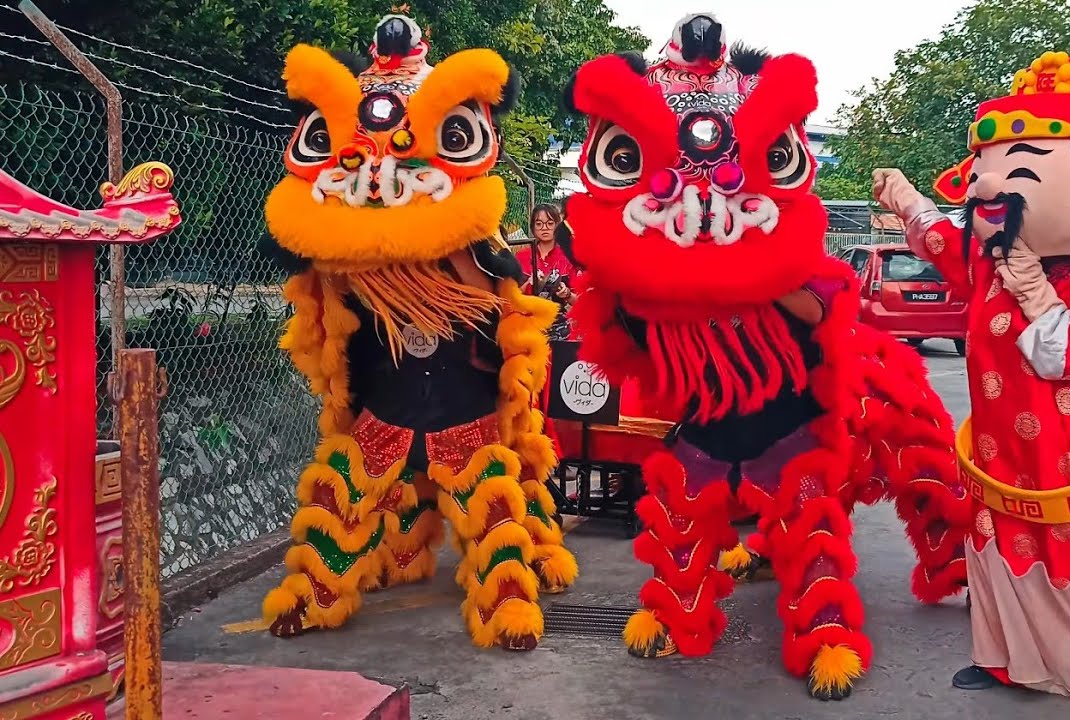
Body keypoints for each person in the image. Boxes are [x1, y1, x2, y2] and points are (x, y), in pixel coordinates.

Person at [560, 13, 969, 701]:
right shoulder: (637, 283)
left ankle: (836, 636)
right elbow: (620, 342)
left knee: (817, 530)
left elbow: (822, 315)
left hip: (789, 426)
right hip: (706, 429)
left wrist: (766, 279)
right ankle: (674, 614)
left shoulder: (794, 273)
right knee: (681, 518)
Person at [257, 12, 576, 649]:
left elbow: (495, 296)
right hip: (387, 404)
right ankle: (316, 593)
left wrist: (439, 243)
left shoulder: (477, 247)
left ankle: (511, 596)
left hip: (466, 405)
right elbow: (320, 294)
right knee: (344, 495)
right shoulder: (342, 254)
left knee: (500, 500)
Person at [874, 49, 1070, 703]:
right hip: (1003, 473)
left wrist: (1033, 285)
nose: (987, 188)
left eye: (1021, 171)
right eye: (984, 170)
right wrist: (906, 198)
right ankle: (1004, 656)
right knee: (1001, 559)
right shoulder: (990, 271)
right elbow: (938, 237)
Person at [517, 203, 579, 341]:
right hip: (527, 323)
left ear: (558, 225)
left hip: (559, 326)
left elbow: (580, 301)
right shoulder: (521, 256)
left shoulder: (568, 256)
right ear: (533, 227)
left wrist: (567, 294)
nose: (544, 228)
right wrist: (528, 284)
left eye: (550, 223)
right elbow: (510, 299)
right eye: (539, 224)